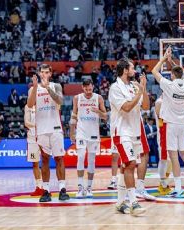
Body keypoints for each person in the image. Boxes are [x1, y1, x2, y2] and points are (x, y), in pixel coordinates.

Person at [151, 47, 184, 198]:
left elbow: (154, 71)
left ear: (172, 75)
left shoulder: (169, 85)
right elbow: (180, 72)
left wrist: (164, 59)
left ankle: (178, 188)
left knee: (173, 157)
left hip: (171, 125)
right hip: (182, 124)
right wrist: (171, 61)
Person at [109, 58, 147, 216]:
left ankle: (119, 203)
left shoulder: (134, 86)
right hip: (121, 131)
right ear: (125, 70)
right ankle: (134, 203)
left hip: (135, 132)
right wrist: (139, 92)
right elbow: (126, 107)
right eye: (132, 68)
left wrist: (143, 89)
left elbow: (146, 106)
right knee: (131, 164)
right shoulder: (115, 88)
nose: (135, 71)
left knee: (126, 167)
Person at [27, 64, 69, 202]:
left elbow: (60, 101)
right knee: (44, 159)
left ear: (50, 74)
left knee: (59, 158)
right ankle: (46, 190)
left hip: (55, 127)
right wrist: (34, 88)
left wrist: (48, 88)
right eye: (42, 72)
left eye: (47, 72)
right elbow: (30, 104)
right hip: (42, 129)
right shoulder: (33, 88)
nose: (44, 74)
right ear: (39, 74)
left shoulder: (56, 86)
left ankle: (62, 189)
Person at [70, 79, 107, 198]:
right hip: (81, 132)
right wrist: (72, 132)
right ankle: (80, 188)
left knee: (91, 160)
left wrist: (98, 112)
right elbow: (74, 115)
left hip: (94, 133)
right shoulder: (77, 98)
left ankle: (89, 188)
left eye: (90, 89)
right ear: (82, 87)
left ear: (93, 87)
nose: (88, 91)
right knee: (80, 157)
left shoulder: (98, 98)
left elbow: (105, 116)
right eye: (86, 89)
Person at [24, 104, 44, 196]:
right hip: (32, 138)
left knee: (45, 161)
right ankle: (38, 187)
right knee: (35, 163)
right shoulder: (28, 106)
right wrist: (36, 125)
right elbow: (26, 122)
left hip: (43, 135)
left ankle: (45, 187)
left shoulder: (43, 103)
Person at [155, 95, 172, 195]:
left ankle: (164, 183)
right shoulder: (159, 102)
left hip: (171, 133)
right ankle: (163, 184)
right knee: (164, 159)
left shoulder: (169, 101)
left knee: (170, 161)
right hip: (163, 133)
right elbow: (160, 118)